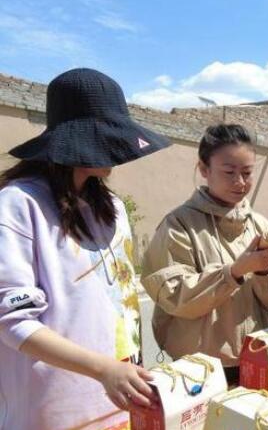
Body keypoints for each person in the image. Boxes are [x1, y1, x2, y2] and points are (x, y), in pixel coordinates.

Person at [0, 68, 171, 429]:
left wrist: (125, 367)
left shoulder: (113, 206)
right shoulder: (18, 204)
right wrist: (101, 368)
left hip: (119, 394)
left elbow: (121, 301)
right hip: (54, 409)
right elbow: (12, 321)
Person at [141, 123, 268, 384]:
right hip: (198, 369)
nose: (239, 182)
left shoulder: (259, 225)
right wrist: (234, 272)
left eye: (247, 173)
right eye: (229, 172)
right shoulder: (179, 225)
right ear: (204, 169)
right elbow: (174, 295)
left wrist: (264, 270)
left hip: (255, 357)